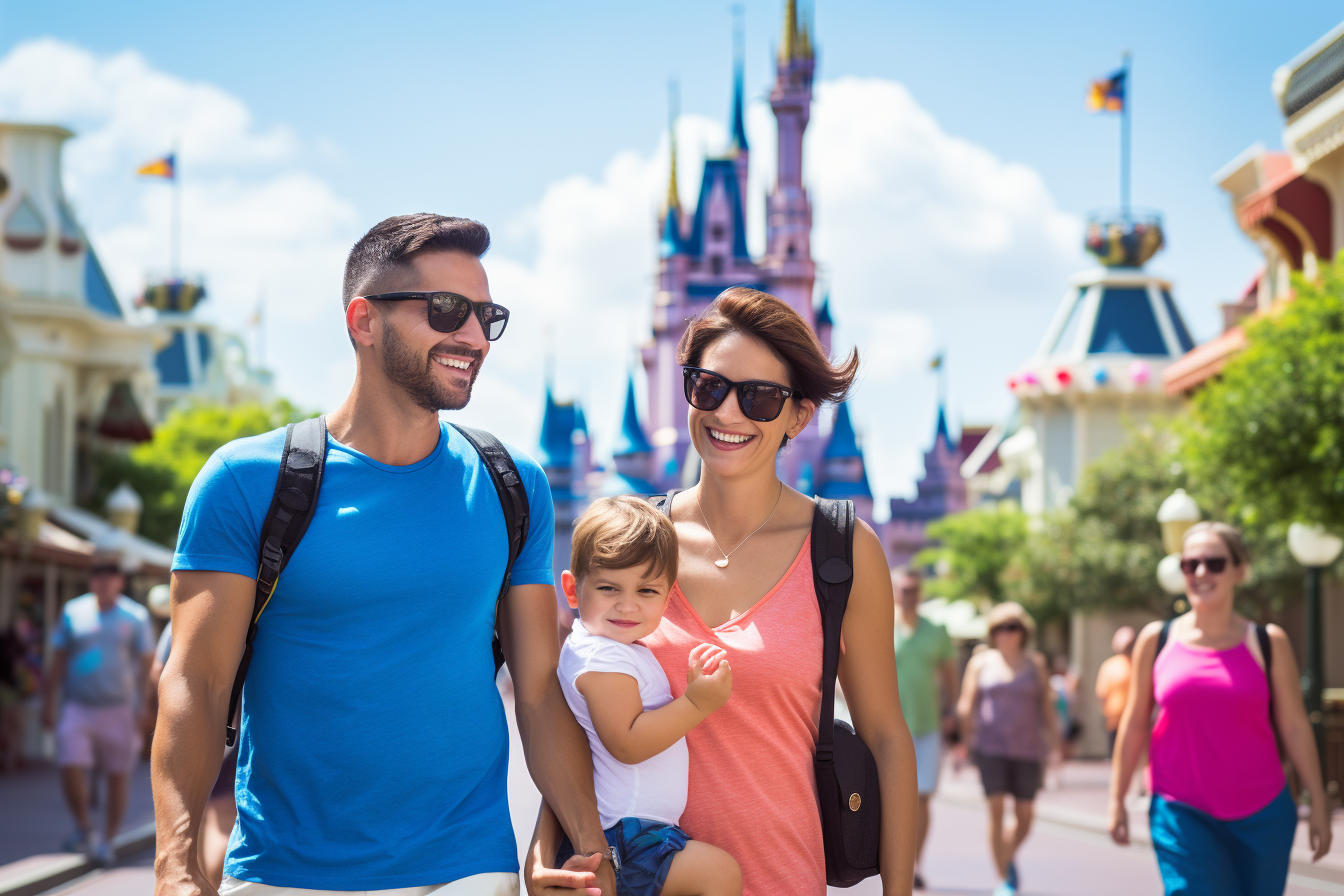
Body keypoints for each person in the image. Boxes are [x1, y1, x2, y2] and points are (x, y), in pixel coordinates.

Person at [154, 215, 618, 896]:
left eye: (486, 316)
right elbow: (195, 684)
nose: (473, 337)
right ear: (363, 321)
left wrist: (588, 841)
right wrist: (176, 869)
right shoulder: (246, 481)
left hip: (467, 866)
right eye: (448, 311)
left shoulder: (512, 483)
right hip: (286, 875)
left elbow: (540, 692)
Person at [528, 287, 918, 896]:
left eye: (760, 397)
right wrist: (545, 848)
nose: (728, 413)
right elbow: (581, 721)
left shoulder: (841, 550)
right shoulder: (633, 542)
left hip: (783, 877)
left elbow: (888, 739)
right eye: (709, 387)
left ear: (799, 416)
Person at [1108, 522, 1333, 895]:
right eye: (1189, 564)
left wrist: (1319, 804)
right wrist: (1117, 800)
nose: (1200, 573)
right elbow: (1134, 725)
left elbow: (1295, 727)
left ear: (1239, 571)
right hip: (1181, 811)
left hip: (1262, 814)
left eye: (1214, 563)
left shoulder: (1268, 642)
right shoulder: (1157, 640)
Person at [555, 497, 740, 896]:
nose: (627, 604)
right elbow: (628, 742)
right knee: (719, 874)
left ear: (668, 594)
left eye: (646, 590)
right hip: (625, 834)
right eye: (608, 588)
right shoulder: (600, 654)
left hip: (635, 830)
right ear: (572, 589)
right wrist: (696, 703)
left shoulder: (612, 647)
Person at [41, 552, 155, 864]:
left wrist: (145, 707)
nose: (103, 582)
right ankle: (84, 827)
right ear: (91, 580)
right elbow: (59, 659)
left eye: (110, 576)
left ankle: (108, 840)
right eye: (98, 576)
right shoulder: (73, 612)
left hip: (120, 709)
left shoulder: (135, 617)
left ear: (119, 581)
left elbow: (147, 666)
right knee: (69, 764)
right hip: (79, 707)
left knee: (118, 775)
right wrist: (47, 702)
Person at [956, 601, 1058, 896]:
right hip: (990, 747)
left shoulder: (1035, 663)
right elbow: (966, 704)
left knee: (1025, 817)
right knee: (997, 810)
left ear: (1023, 631)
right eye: (999, 628)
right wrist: (965, 739)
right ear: (992, 632)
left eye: (1012, 627)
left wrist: (1056, 745)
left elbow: (1047, 708)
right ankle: (1003, 879)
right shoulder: (981, 663)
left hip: (1028, 749)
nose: (1006, 633)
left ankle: (1007, 855)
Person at [891, 566, 957, 890]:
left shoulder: (936, 630)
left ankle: (916, 864)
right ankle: (889, 864)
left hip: (927, 726)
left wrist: (952, 712)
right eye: (904, 589)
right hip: (888, 726)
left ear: (921, 593)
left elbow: (949, 676)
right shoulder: (880, 624)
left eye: (914, 590)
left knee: (922, 799)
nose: (909, 595)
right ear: (894, 591)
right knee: (885, 798)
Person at [1094, 626, 1135, 759]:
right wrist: (1105, 713)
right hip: (1115, 719)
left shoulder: (1138, 663)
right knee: (1116, 757)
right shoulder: (1110, 666)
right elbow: (1102, 693)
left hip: (1135, 719)